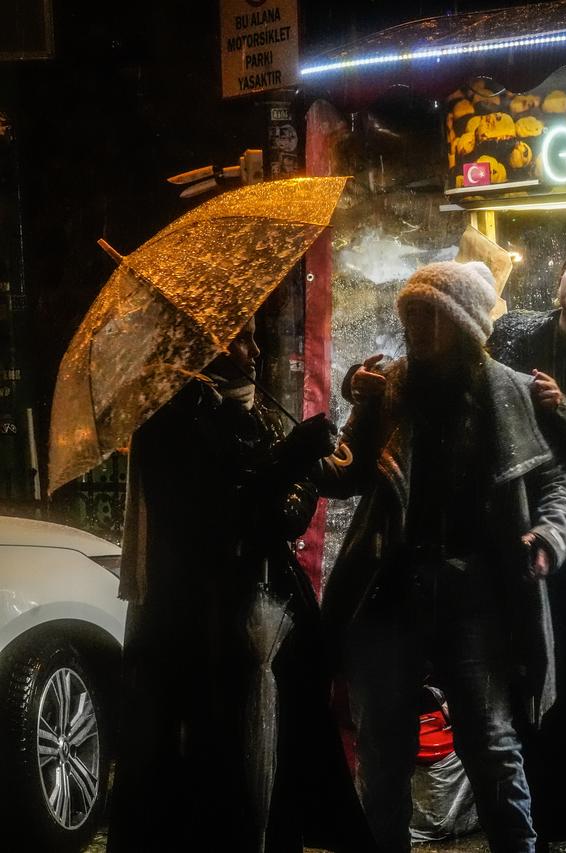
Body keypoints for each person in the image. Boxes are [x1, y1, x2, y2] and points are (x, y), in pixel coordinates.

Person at [349, 239, 566, 852]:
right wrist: (356, 399)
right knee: (416, 738)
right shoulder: (496, 345)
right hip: (447, 574)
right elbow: (355, 465)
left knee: (555, 725)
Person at [318, 261, 566, 853]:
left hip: (474, 594)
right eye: (410, 314)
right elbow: (342, 477)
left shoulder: (509, 390)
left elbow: (555, 484)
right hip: (390, 590)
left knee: (491, 746)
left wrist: (548, 537)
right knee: (382, 752)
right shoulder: (387, 392)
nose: (417, 326)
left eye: (431, 314)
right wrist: (324, 437)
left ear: (462, 323)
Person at [109, 319, 373, 853]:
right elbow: (213, 520)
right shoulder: (169, 416)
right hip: (208, 631)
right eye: (239, 337)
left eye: (255, 335)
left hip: (270, 619)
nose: (255, 350)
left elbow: (337, 482)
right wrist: (289, 461)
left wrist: (361, 412)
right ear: (199, 340)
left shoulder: (248, 408)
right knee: (221, 769)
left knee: (278, 765)